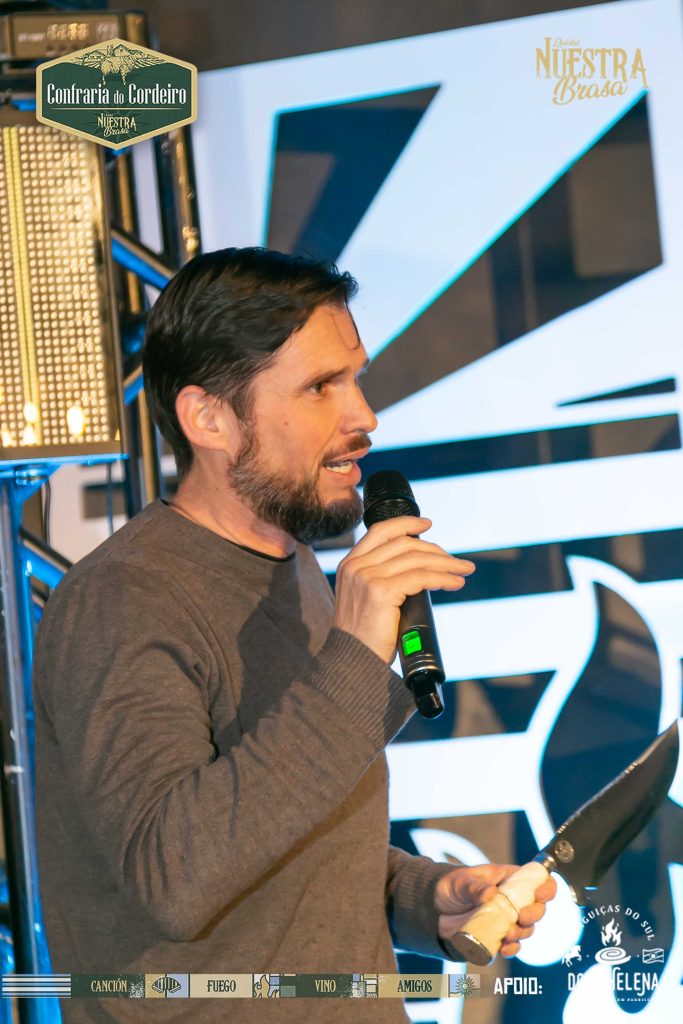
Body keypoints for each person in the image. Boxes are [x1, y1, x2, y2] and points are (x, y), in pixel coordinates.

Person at [33, 247, 555, 1022]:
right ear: (209, 418)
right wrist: (354, 655)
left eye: (355, 378)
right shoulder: (124, 599)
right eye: (320, 387)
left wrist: (424, 900)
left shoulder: (296, 567)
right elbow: (175, 875)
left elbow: (281, 840)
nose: (363, 417)